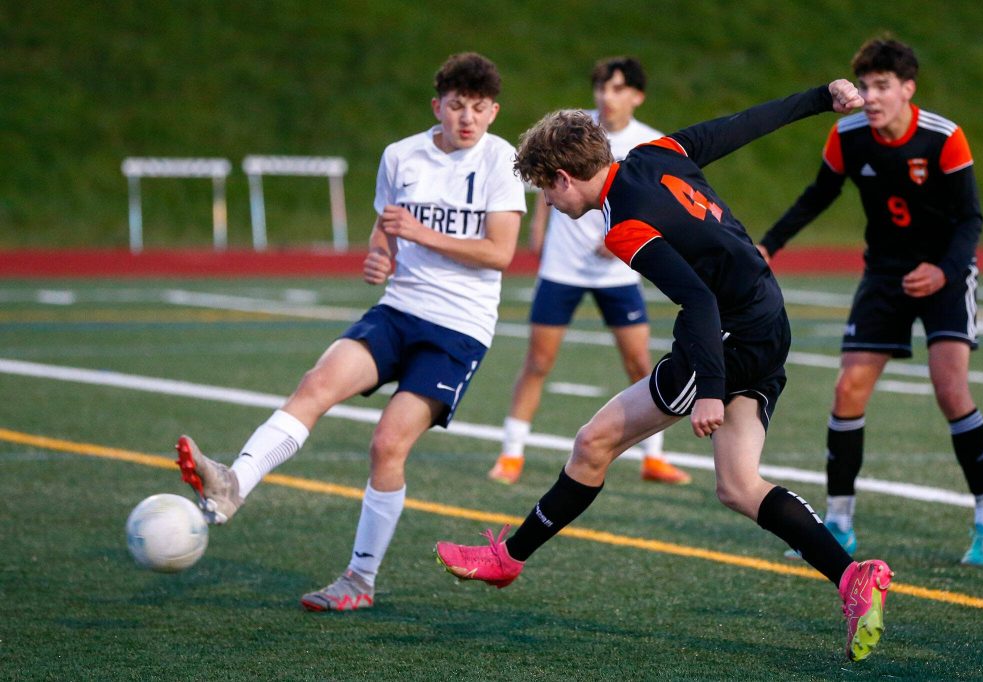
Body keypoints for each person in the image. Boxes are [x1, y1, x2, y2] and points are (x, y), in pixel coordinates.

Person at [435, 79, 895, 663]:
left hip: (724, 335)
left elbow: (698, 300)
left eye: (545, 194)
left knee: (593, 443)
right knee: (737, 484)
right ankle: (854, 576)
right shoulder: (657, 154)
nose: (547, 206)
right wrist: (818, 98)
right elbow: (743, 123)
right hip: (768, 321)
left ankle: (509, 558)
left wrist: (708, 389)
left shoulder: (622, 224)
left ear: (562, 178)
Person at [175, 52, 526, 612]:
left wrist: (417, 234)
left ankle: (359, 582)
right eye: (457, 106)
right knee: (315, 384)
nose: (468, 119)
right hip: (399, 308)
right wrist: (379, 255)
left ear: (493, 111)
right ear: (437, 106)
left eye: (479, 109)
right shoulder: (401, 156)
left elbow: (500, 252)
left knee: (387, 445)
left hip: (458, 329)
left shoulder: (501, 160)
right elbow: (386, 225)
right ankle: (233, 484)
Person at [755, 38, 983, 566]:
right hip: (885, 274)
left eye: (882, 86)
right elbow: (817, 195)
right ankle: (839, 522)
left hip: (946, 271)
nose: (870, 96)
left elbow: (971, 220)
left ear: (908, 89)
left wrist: (943, 271)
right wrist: (768, 245)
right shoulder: (847, 135)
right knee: (848, 388)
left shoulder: (944, 139)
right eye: (864, 85)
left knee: (950, 387)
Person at [489, 56, 690, 486]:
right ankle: (511, 453)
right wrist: (538, 228)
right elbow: (546, 181)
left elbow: (663, 204)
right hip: (562, 268)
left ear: (637, 96)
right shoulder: (576, 132)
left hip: (619, 271)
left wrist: (624, 234)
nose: (606, 96)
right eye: (601, 87)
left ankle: (653, 458)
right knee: (538, 361)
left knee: (639, 361)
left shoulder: (648, 143)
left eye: (617, 88)